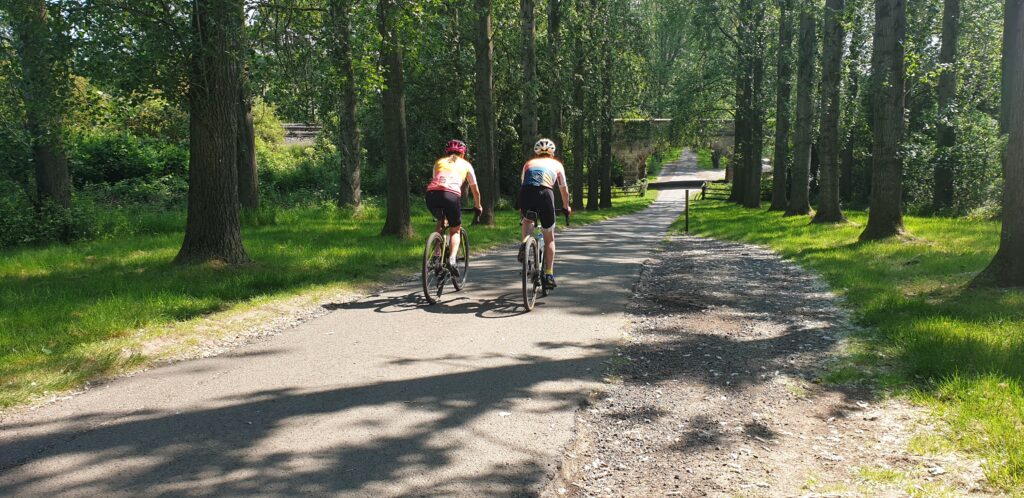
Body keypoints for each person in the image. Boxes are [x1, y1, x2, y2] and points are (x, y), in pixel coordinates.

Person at [519, 138, 571, 289]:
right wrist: (566, 207)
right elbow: (564, 190)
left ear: (537, 153)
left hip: (526, 193)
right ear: (552, 153)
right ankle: (549, 273)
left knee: (528, 220)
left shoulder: (528, 164)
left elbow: (523, 184)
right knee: (549, 238)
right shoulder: (557, 165)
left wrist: (521, 208)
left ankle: (524, 245)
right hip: (545, 193)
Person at [425, 139, 482, 278]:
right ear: (463, 154)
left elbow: (436, 180)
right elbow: (475, 190)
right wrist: (478, 206)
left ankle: (437, 255)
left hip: (431, 194)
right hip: (451, 195)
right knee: (455, 229)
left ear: (447, 152)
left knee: (441, 220)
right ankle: (451, 260)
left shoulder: (439, 162)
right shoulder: (466, 165)